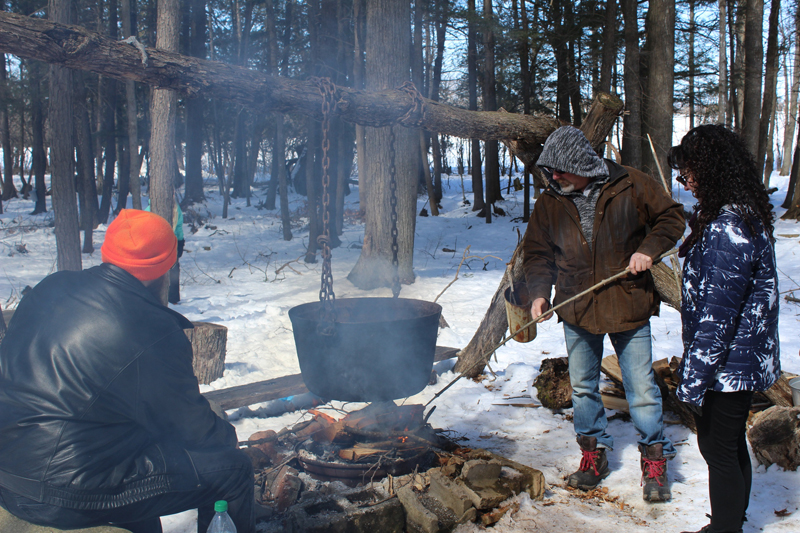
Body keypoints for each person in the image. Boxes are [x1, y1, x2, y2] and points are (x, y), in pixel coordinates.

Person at [0, 209, 254, 533]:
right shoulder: (151, 331)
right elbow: (193, 428)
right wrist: (228, 439)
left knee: (141, 458)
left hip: (9, 470)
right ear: (164, 268)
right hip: (63, 492)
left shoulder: (52, 286)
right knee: (232, 471)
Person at [522, 126, 685, 501]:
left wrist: (648, 249)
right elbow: (537, 253)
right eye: (551, 170)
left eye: (560, 169)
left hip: (628, 303)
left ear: (582, 164)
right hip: (577, 306)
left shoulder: (632, 184)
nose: (554, 177)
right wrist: (538, 295)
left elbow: (672, 218)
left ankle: (654, 462)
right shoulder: (551, 200)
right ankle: (593, 455)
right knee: (582, 387)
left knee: (641, 388)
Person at [669, 125, 780, 533]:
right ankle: (730, 521)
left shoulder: (727, 228)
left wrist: (692, 379)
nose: (687, 183)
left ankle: (725, 528)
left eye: (690, 173)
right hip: (739, 358)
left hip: (729, 363)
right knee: (728, 443)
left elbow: (718, 314)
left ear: (712, 169)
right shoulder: (738, 214)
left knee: (717, 446)